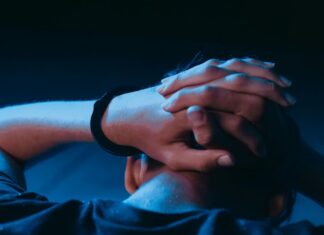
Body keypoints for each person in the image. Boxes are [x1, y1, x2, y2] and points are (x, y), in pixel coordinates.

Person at [0, 58, 323, 234]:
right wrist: (294, 157)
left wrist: (110, 117)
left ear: (134, 171)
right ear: (276, 205)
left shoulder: (17, 221)